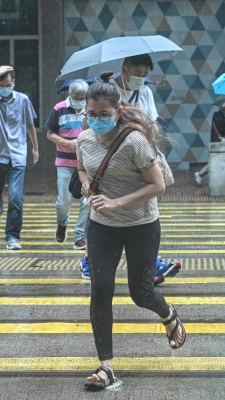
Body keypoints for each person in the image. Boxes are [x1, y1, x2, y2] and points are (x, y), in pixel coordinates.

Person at [77, 72, 186, 390]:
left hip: (141, 225)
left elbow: (158, 185)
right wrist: (85, 183)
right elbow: (81, 165)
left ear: (117, 112)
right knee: (100, 290)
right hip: (102, 227)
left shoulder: (135, 142)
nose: (97, 120)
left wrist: (116, 202)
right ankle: (106, 367)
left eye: (104, 115)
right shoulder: (84, 139)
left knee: (141, 293)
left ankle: (168, 314)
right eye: (91, 114)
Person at [78, 53, 181, 283]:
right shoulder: (106, 91)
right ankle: (90, 259)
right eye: (136, 74)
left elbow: (152, 125)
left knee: (146, 210)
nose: (140, 78)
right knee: (100, 210)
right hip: (108, 162)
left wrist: (137, 130)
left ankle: (148, 265)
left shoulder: (144, 92)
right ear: (124, 69)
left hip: (139, 160)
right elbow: (88, 127)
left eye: (144, 75)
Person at [0, 66, 38, 250]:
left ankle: (12, 236)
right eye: (2, 85)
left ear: (13, 83)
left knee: (15, 198)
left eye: (9, 84)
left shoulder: (23, 100)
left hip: (17, 156)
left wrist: (35, 148)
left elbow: (29, 123)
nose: (6, 87)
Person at [45, 79, 91, 250]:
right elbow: (50, 134)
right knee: (64, 200)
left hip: (86, 163)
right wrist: (68, 142)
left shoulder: (90, 109)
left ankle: (79, 236)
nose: (80, 100)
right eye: (77, 97)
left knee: (87, 200)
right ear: (70, 95)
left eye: (83, 97)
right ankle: (62, 223)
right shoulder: (59, 108)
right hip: (65, 161)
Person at [194, 106, 225, 185]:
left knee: (220, 161)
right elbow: (222, 128)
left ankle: (201, 174)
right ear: (223, 108)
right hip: (217, 142)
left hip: (218, 142)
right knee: (223, 161)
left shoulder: (220, 116)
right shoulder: (217, 115)